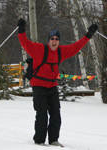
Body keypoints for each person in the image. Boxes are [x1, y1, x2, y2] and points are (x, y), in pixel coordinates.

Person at [17, 18, 98, 146]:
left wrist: (89, 35)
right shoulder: (38, 49)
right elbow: (24, 43)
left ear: (58, 41)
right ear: (48, 40)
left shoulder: (61, 51)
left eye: (56, 39)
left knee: (56, 114)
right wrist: (21, 30)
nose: (54, 41)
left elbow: (76, 47)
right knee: (42, 115)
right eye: (52, 39)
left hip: (52, 87)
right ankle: (39, 140)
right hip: (38, 86)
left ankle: (53, 139)